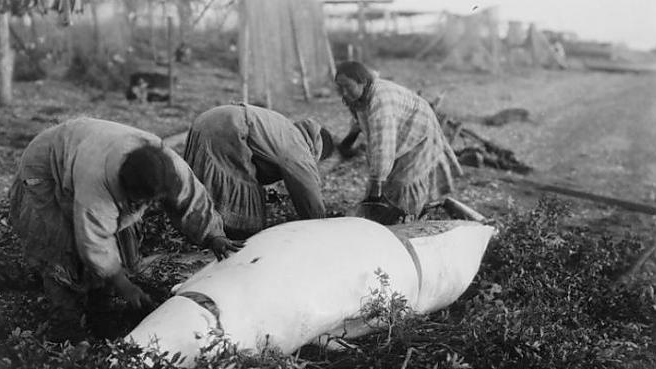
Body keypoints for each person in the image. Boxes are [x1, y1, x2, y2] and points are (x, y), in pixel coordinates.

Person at [8, 117, 243, 339]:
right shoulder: (96, 185)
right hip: (46, 169)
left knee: (117, 246)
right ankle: (67, 327)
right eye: (140, 201)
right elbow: (95, 242)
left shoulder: (167, 166)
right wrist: (124, 286)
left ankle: (101, 309)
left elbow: (192, 198)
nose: (147, 206)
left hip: (85, 145)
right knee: (61, 247)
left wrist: (214, 235)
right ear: (125, 188)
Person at [334, 61, 461, 224]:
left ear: (363, 82)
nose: (343, 92)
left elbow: (382, 146)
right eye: (339, 87)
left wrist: (377, 183)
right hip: (400, 130)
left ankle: (409, 220)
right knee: (385, 180)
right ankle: (385, 215)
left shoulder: (380, 101)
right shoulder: (359, 96)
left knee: (404, 181)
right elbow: (365, 126)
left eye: (347, 86)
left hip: (419, 131)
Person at [183, 103, 335, 239]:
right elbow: (307, 188)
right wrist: (320, 226)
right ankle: (229, 235)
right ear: (317, 149)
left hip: (207, 119)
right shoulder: (299, 146)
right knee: (249, 222)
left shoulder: (286, 127)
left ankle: (203, 228)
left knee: (209, 186)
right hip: (230, 128)